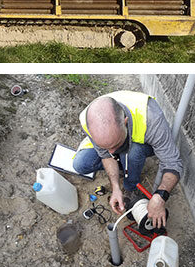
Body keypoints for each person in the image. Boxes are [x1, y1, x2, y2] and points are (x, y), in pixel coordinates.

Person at [72, 91, 182, 229]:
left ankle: (130, 186)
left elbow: (173, 163)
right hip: (114, 138)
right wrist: (115, 187)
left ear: (125, 122)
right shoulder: (87, 120)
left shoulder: (151, 118)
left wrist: (161, 196)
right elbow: (106, 155)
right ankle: (125, 164)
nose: (112, 152)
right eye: (106, 147)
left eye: (115, 145)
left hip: (141, 146)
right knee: (81, 164)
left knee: (132, 152)